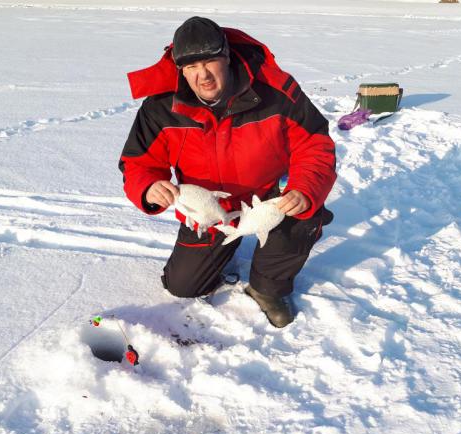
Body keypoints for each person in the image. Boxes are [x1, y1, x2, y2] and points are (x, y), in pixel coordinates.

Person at [119, 16, 336, 328]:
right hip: (208, 207)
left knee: (303, 216)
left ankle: (267, 288)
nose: (202, 75)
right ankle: (225, 248)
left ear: (228, 57)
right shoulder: (161, 106)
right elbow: (137, 162)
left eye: (210, 62)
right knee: (183, 286)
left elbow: (314, 142)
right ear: (180, 69)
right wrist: (149, 186)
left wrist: (305, 188)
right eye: (192, 67)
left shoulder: (275, 91)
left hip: (269, 196)